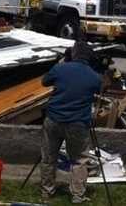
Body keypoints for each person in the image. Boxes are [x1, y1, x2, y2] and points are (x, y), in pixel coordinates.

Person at [40, 41, 103, 203]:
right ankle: (77, 195)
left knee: (49, 156)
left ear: (72, 54)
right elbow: (99, 88)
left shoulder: (60, 69)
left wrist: (61, 62)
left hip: (54, 118)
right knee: (80, 159)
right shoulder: (94, 76)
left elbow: (45, 81)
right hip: (78, 122)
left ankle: (47, 191)